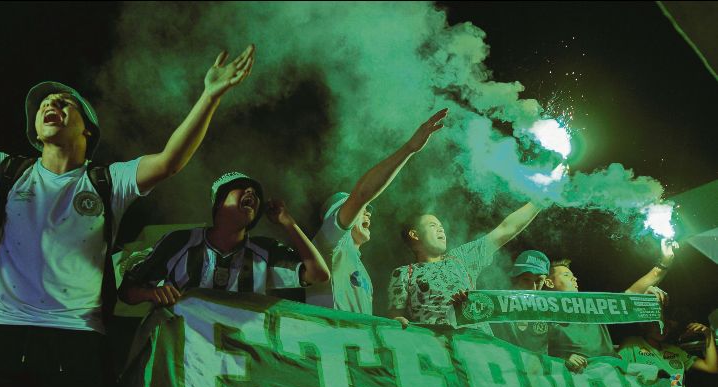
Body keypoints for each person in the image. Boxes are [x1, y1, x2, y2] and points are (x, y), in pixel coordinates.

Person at [0, 45, 255, 387]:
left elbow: (168, 162)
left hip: (74, 342)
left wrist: (210, 95)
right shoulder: (6, 172)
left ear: (87, 129)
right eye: (43, 106)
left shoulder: (109, 181)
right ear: (36, 132)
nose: (51, 105)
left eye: (64, 101)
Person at [306, 109, 448, 314]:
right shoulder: (329, 244)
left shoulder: (360, 269)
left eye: (366, 210)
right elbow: (362, 194)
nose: (367, 213)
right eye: (360, 210)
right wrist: (409, 149)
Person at [118, 171, 330, 305]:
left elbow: (318, 274)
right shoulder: (179, 241)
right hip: (184, 362)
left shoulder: (265, 250)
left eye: (256, 193)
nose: (251, 192)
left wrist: (287, 222)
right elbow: (127, 291)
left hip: (234, 365)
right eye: (241, 187)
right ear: (219, 202)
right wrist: (151, 293)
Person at [387, 200, 544, 330]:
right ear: (414, 234)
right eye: (433, 225)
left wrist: (543, 198)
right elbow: (395, 318)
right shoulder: (403, 273)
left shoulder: (461, 258)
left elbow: (505, 229)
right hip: (439, 355)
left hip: (479, 346)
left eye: (441, 226)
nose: (441, 229)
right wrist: (399, 323)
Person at [544, 244, 674, 372]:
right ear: (549, 283)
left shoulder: (594, 307)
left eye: (572, 275)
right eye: (566, 275)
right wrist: (561, 360)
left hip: (611, 374)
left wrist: (665, 262)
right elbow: (532, 354)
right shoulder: (539, 315)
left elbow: (630, 294)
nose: (574, 278)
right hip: (576, 378)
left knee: (656, 374)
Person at [619, 318, 718, 387]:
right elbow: (617, 375)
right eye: (657, 323)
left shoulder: (674, 351)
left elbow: (711, 367)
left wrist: (708, 335)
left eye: (667, 325)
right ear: (644, 324)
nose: (663, 328)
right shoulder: (632, 344)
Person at [490, 249, 556, 353]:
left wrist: (567, 358)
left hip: (537, 368)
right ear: (515, 279)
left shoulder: (550, 310)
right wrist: (462, 303)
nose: (533, 287)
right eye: (526, 280)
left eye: (539, 281)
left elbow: (560, 345)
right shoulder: (495, 305)